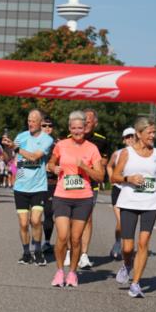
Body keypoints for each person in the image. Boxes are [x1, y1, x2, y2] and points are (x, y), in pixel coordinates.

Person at [46, 110, 105, 288]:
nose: (78, 131)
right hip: (62, 196)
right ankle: (59, 272)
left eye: (81, 128)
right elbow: (51, 162)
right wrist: (53, 168)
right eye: (74, 128)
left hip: (83, 198)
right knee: (62, 236)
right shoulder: (61, 145)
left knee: (76, 239)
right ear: (70, 128)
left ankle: (72, 273)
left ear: (85, 129)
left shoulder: (92, 148)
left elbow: (100, 176)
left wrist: (84, 168)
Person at [112, 117, 156, 297]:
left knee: (143, 243)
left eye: (154, 133)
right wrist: (129, 179)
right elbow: (114, 176)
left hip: (150, 203)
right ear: (138, 133)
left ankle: (136, 284)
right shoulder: (127, 153)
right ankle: (127, 264)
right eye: (149, 133)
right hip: (129, 201)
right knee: (128, 248)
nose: (153, 136)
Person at [2, 109, 54, 266]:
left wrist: (16, 148)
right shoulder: (21, 137)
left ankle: (37, 250)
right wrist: (6, 148)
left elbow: (34, 157)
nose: (30, 123)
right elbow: (8, 158)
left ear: (40, 122)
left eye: (33, 120)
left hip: (39, 187)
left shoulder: (47, 139)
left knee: (36, 220)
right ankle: (26, 253)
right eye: (29, 120)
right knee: (24, 223)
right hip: (21, 186)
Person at [73, 108, 103, 268]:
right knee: (72, 219)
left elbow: (102, 166)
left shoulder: (100, 141)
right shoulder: (70, 138)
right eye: (83, 120)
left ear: (95, 124)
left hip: (91, 185)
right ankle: (72, 250)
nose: (85, 124)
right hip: (71, 183)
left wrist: (87, 166)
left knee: (87, 218)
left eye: (89, 121)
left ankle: (83, 254)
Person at [107, 128, 137, 259]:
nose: (130, 139)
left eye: (133, 136)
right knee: (121, 221)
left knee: (128, 221)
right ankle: (119, 243)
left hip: (132, 190)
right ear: (124, 140)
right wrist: (112, 178)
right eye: (127, 137)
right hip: (119, 189)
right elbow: (109, 166)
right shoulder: (118, 153)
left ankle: (125, 245)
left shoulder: (142, 154)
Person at [41, 117, 57, 252]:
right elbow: (20, 163)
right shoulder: (30, 143)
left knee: (48, 213)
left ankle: (46, 242)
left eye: (49, 126)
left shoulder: (58, 145)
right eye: (44, 125)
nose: (47, 128)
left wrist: (54, 167)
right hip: (33, 184)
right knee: (33, 217)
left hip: (51, 183)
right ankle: (33, 243)